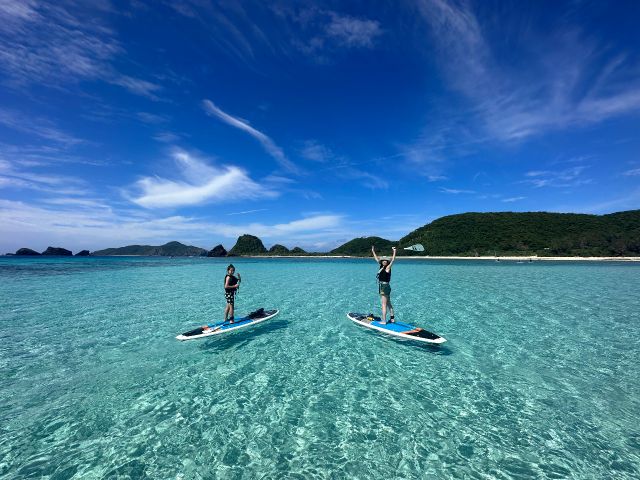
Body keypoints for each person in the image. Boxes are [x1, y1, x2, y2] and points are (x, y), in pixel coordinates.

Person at [371, 245, 397, 324]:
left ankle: (384, 320)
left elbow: (393, 260)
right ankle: (392, 319)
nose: (384, 261)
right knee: (388, 303)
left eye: (386, 260)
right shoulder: (381, 267)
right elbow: (376, 259)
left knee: (384, 304)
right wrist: (373, 251)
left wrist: (394, 251)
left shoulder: (387, 268)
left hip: (384, 287)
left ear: (387, 262)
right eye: (383, 260)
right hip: (385, 286)